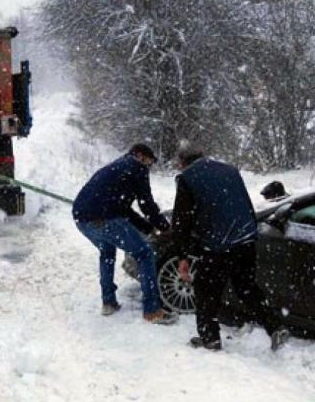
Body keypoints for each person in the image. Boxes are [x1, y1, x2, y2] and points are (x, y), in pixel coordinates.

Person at [172, 143, 289, 351]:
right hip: (245, 239)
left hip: (218, 245)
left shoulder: (187, 178)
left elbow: (182, 221)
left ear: (182, 162)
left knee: (206, 291)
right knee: (246, 287)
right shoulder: (230, 170)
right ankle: (276, 326)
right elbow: (243, 203)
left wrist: (183, 256)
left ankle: (210, 339)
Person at [73, 143, 176, 324]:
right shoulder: (137, 168)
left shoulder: (117, 166)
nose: (149, 167)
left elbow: (123, 208)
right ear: (141, 155)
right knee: (144, 253)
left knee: (107, 252)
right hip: (104, 218)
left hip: (82, 219)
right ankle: (152, 310)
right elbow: (146, 204)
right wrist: (165, 227)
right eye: (150, 162)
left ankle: (109, 302)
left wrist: (148, 227)